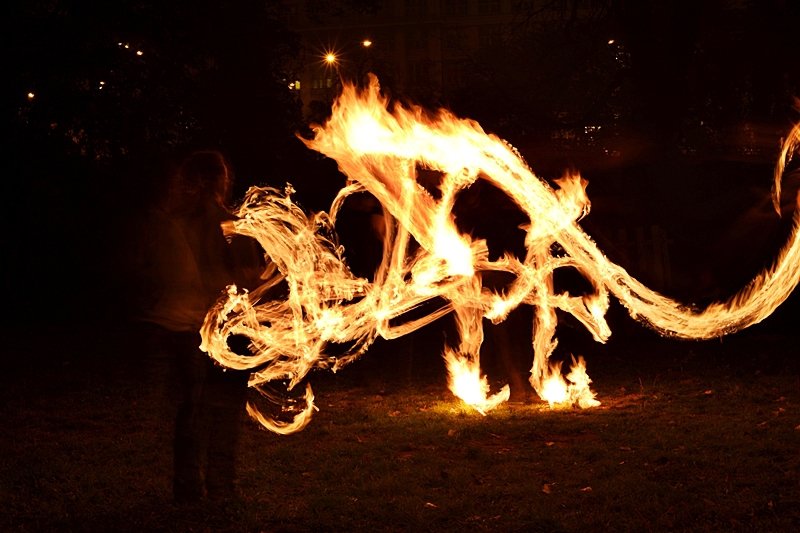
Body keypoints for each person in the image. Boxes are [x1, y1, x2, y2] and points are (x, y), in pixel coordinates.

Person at [136, 149, 262, 504]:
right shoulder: (229, 225)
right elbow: (246, 278)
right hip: (219, 330)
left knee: (191, 412)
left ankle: (188, 489)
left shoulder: (172, 220)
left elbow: (153, 271)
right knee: (221, 412)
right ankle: (221, 490)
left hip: (180, 329)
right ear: (221, 182)